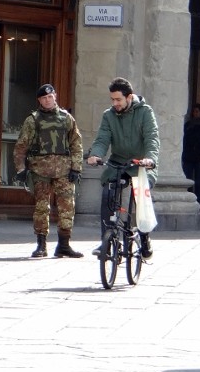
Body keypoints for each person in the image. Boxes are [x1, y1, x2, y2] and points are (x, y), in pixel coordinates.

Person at [85, 77, 159, 259]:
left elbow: (152, 137)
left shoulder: (145, 112)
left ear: (129, 97)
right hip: (117, 163)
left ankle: (144, 235)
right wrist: (96, 155)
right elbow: (102, 138)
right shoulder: (108, 115)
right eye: (112, 100)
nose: (115, 103)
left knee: (140, 197)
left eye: (118, 99)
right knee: (108, 195)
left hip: (140, 164)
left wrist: (150, 158)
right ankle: (107, 241)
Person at [13, 83, 85, 258]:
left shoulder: (67, 118)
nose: (47, 100)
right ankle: (41, 245)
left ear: (55, 96)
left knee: (67, 207)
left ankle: (64, 244)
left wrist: (76, 167)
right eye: (44, 98)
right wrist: (21, 168)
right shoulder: (33, 120)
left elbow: (76, 143)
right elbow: (21, 146)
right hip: (40, 170)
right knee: (41, 208)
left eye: (50, 96)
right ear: (39, 100)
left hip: (64, 170)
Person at [181, 103, 200, 206]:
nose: (195, 113)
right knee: (187, 179)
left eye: (197, 111)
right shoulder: (188, 125)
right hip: (189, 156)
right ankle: (188, 200)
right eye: (194, 111)